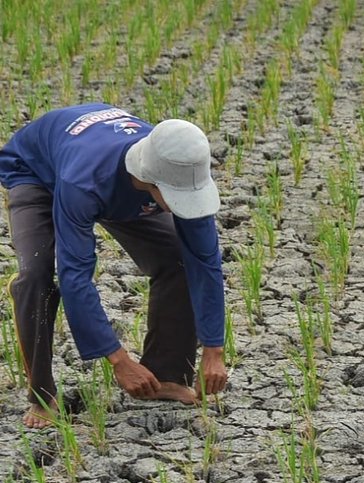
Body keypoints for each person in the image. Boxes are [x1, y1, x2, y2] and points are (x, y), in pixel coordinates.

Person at [0, 103, 228, 428]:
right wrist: (119, 361)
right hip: (38, 172)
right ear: (150, 180)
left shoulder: (178, 161)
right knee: (35, 276)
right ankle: (42, 395)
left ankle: (166, 375)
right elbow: (75, 276)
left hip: (112, 180)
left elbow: (204, 261)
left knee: (177, 256)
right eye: (178, 197)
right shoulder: (86, 181)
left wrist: (213, 349)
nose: (186, 204)